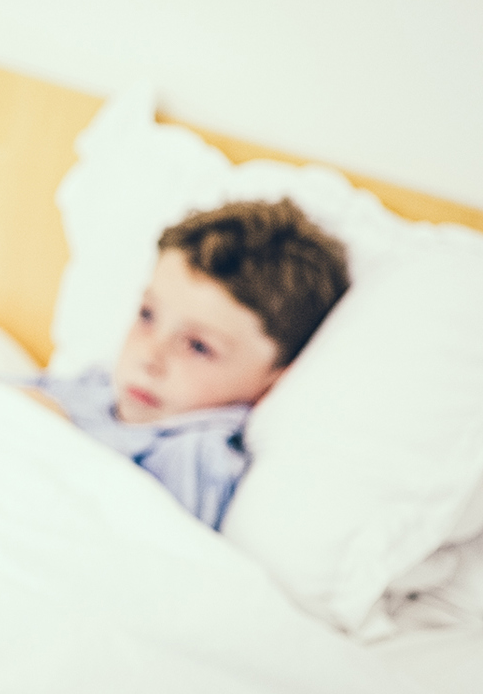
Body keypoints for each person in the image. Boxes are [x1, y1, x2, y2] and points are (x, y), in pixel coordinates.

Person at [27, 198, 349, 530]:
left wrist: (49, 434)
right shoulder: (98, 384)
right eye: (147, 316)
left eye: (198, 346)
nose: (149, 356)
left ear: (276, 380)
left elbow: (140, 543)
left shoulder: (195, 454)